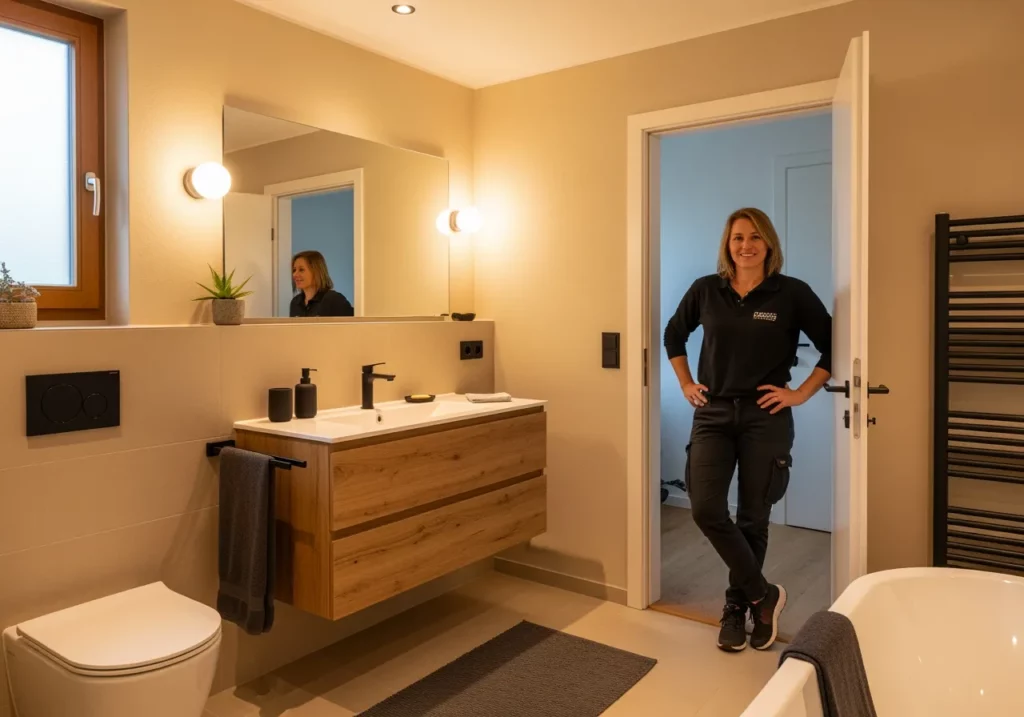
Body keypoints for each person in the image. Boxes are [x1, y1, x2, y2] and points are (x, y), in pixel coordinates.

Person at [663, 207, 832, 653]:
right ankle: (763, 594)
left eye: (755, 237)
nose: (746, 246)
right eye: (738, 237)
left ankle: (737, 607)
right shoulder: (706, 289)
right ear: (727, 244)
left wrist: (800, 394)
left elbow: (834, 345)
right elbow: (673, 335)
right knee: (706, 509)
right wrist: (685, 383)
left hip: (765, 416)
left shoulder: (791, 293)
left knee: (754, 517)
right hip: (713, 413)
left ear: (769, 243)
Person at [289, 250, 354, 318]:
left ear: (316, 271)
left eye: (301, 270)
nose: (295, 274)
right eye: (294, 270)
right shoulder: (295, 303)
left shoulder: (334, 300)